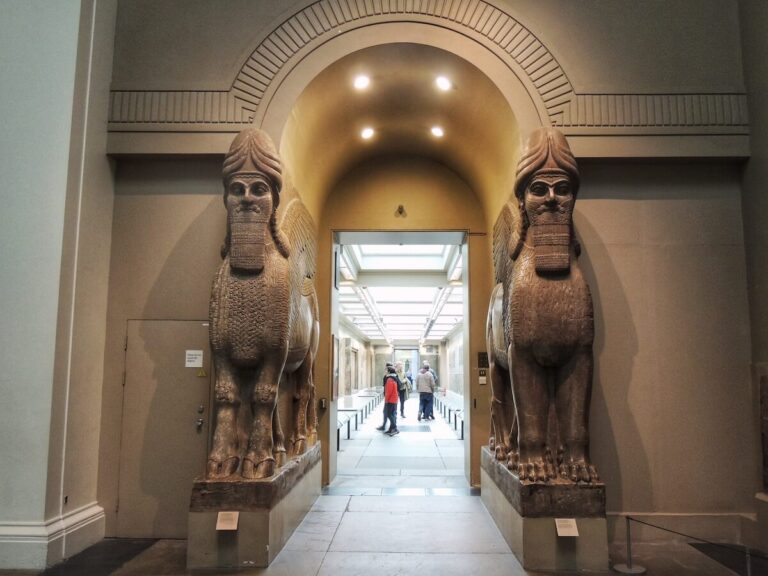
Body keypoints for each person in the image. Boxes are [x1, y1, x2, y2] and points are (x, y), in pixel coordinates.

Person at [377, 363, 401, 431]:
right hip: (393, 398)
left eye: (386, 369)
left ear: (388, 371)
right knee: (390, 413)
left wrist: (386, 399)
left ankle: (394, 427)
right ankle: (391, 428)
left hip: (390, 399)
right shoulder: (393, 377)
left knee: (389, 413)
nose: (384, 370)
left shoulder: (390, 379)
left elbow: (389, 391)